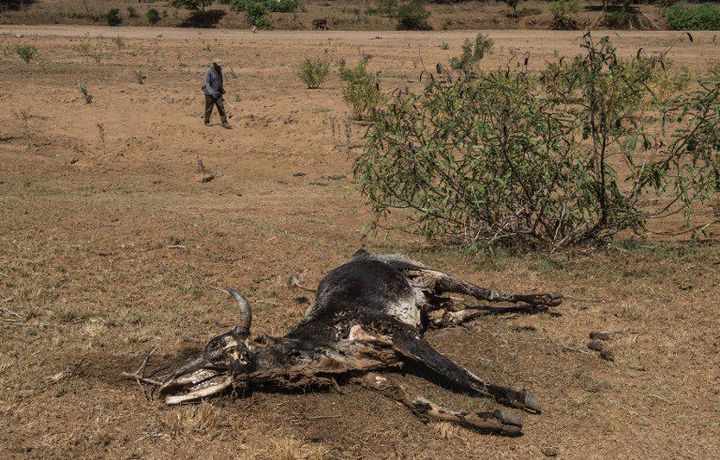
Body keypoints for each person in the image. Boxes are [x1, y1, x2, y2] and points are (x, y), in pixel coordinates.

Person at [203, 58, 230, 129]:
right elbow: (207, 83)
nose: (219, 66)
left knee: (221, 108)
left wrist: (221, 90)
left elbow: (220, 81)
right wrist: (212, 93)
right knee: (209, 108)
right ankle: (206, 121)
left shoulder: (219, 70)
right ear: (214, 64)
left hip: (218, 93)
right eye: (217, 65)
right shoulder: (209, 71)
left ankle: (224, 123)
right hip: (209, 94)